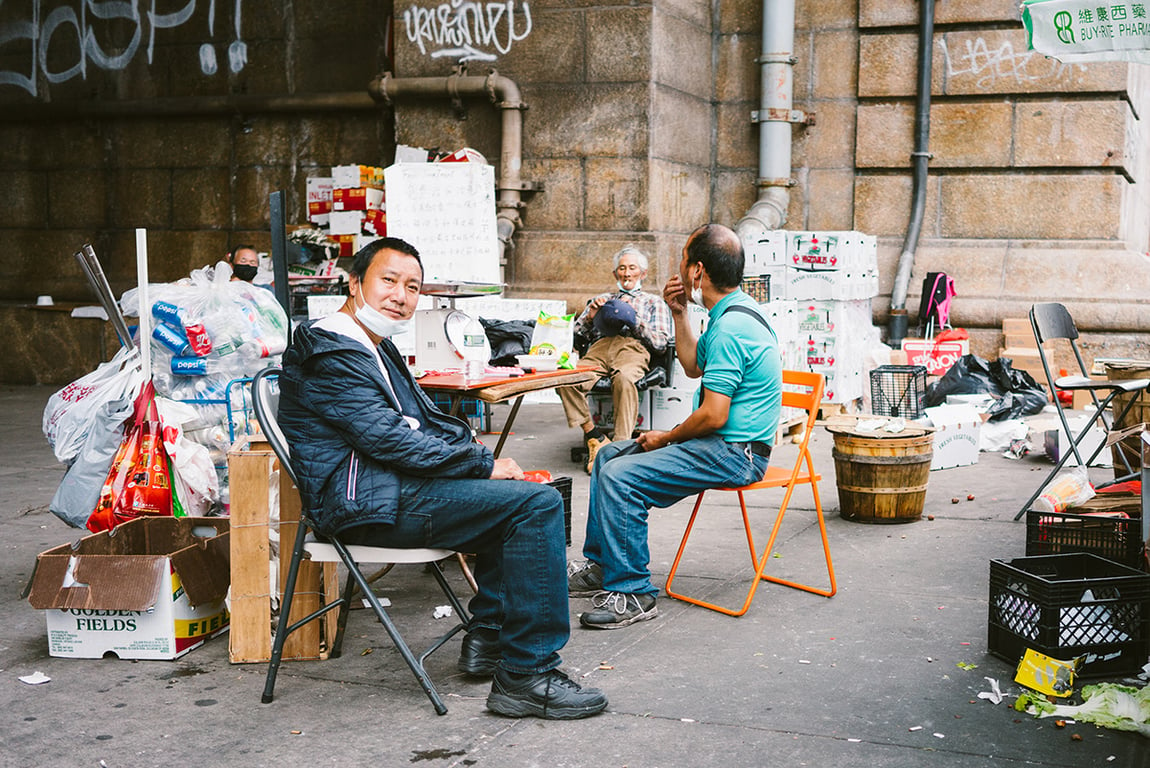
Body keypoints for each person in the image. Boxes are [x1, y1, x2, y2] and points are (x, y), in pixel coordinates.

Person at [277, 237, 608, 720]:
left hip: (385, 487)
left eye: (412, 287)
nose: (401, 296)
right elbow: (391, 441)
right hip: (360, 504)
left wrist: (476, 455)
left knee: (518, 494)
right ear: (354, 284)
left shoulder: (372, 344)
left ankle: (491, 640)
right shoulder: (332, 351)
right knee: (535, 506)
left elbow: (422, 423)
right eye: (388, 281)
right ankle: (528, 675)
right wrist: (481, 464)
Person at [568, 223, 783, 629]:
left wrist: (666, 437)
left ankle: (632, 591)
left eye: (684, 260)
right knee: (610, 453)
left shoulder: (733, 328)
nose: (680, 268)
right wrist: (679, 312)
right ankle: (602, 565)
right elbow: (691, 364)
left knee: (622, 476)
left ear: (698, 272)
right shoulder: (730, 312)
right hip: (722, 442)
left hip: (736, 453)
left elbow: (714, 415)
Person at [557, 245, 672, 473]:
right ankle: (595, 437)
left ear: (643, 273)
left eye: (632, 268)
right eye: (622, 268)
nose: (627, 273)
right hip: (600, 348)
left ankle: (619, 447)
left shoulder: (653, 302)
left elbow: (660, 343)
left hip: (632, 348)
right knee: (564, 377)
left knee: (625, 378)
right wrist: (591, 318)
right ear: (615, 274)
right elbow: (577, 335)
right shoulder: (602, 299)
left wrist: (634, 319)